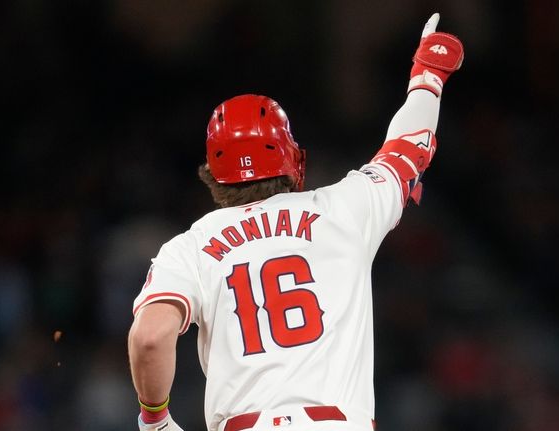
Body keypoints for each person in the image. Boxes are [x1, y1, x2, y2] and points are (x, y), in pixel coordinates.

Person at [128, 13, 463, 431]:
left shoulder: (190, 247)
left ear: (213, 175)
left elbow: (150, 337)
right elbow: (408, 147)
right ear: (292, 160)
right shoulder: (344, 207)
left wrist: (155, 420)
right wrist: (428, 75)